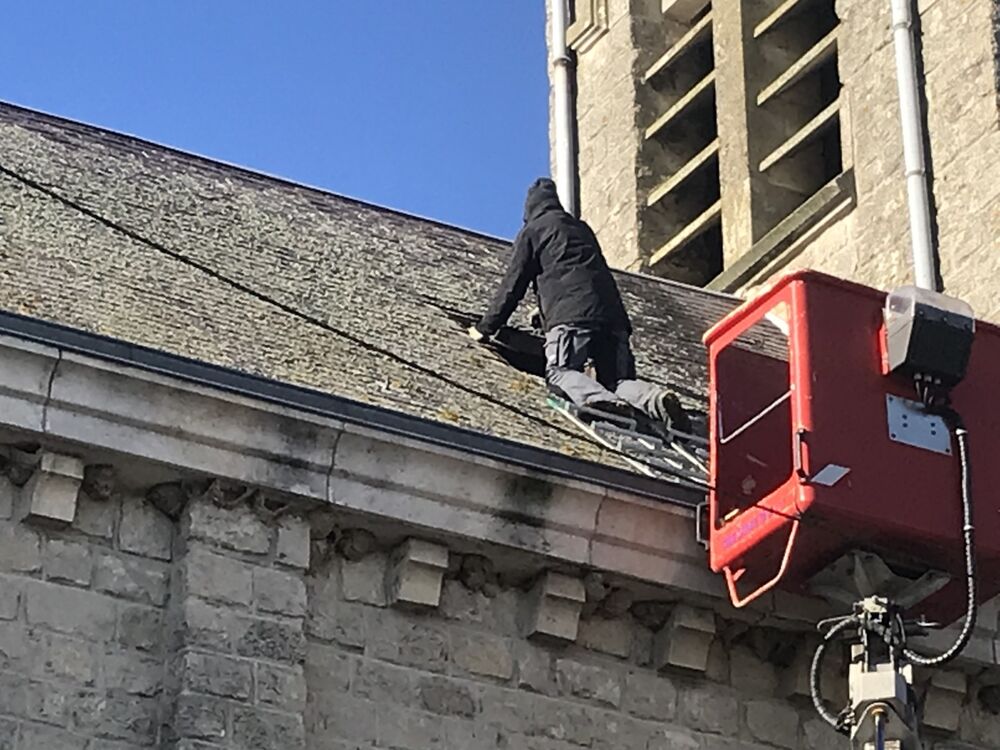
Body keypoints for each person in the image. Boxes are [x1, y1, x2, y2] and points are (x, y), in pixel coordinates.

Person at [469, 177, 689, 433]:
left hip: (572, 321)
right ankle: (656, 400)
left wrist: (485, 327)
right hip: (614, 320)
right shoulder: (582, 230)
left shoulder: (534, 231)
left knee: (561, 372)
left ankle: (601, 401)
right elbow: (580, 277)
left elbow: (513, 285)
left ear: (529, 211)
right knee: (618, 380)